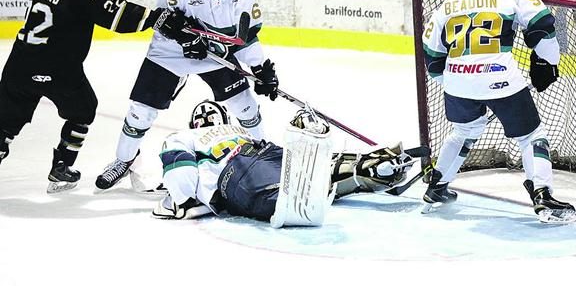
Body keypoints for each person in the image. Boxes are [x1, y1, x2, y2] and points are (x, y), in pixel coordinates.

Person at [0, 0, 185, 193]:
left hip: (19, 64)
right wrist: (158, 18)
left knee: (5, 123)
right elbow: (120, 16)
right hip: (59, 68)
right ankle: (62, 168)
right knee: (83, 110)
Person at [95, 0, 280, 192]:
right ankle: (124, 160)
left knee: (245, 104)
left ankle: (261, 151)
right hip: (169, 52)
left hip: (213, 54)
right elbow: (163, 18)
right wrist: (184, 38)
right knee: (141, 111)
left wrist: (260, 68)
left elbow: (245, 38)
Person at [419, 0, 575, 222]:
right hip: (500, 77)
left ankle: (437, 186)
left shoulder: (447, 3)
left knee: (464, 131)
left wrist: (461, 81)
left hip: (456, 82)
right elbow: (542, 27)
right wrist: (547, 63)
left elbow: (432, 59)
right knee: (531, 136)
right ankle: (542, 194)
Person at [152, 100, 417, 223]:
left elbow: (181, 172)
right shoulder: (238, 130)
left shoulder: (185, 135)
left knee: (286, 201)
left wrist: (181, 202)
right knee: (311, 173)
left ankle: (309, 190)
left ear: (194, 124)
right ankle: (363, 166)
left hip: (236, 172)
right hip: (267, 150)